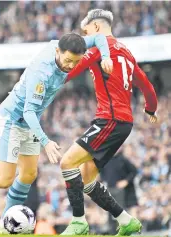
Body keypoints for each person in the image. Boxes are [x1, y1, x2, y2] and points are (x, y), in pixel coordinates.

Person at [0, 32, 113, 233]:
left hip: (30, 122)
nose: (71, 65)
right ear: (57, 51)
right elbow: (28, 112)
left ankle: (3, 225)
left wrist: (105, 56)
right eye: (68, 60)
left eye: (76, 61)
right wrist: (46, 141)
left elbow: (98, 38)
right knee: (3, 180)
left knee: (28, 175)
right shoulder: (41, 73)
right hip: (13, 119)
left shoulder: (68, 45)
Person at [59, 9, 158, 235]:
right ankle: (125, 220)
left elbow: (73, 69)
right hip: (122, 122)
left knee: (67, 163)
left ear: (95, 28)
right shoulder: (128, 54)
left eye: (86, 32)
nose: (85, 38)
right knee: (84, 179)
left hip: (110, 119)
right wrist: (150, 109)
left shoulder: (97, 50)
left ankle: (78, 223)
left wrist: (51, 80)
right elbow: (148, 88)